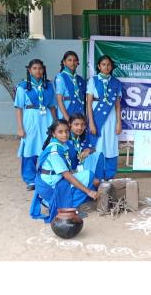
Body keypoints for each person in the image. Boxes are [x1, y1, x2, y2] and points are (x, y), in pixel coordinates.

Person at [29, 119, 99, 223]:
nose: (64, 135)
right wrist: (89, 191)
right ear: (53, 133)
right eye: (60, 132)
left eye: (66, 131)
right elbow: (66, 175)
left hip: (55, 178)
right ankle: (66, 209)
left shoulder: (61, 145)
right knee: (88, 176)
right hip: (51, 184)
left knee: (86, 177)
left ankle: (64, 203)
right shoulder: (55, 152)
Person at [14, 59, 57, 191]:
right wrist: (20, 127)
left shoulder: (48, 86)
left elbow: (52, 106)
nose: (38, 71)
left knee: (47, 147)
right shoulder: (22, 87)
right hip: (30, 118)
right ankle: (30, 179)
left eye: (40, 68)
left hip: (46, 119)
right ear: (29, 70)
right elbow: (18, 108)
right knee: (30, 149)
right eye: (34, 68)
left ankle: (45, 176)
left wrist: (56, 123)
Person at [86, 54, 122, 180]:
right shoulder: (93, 80)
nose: (106, 67)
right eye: (103, 64)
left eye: (108, 65)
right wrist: (90, 122)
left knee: (111, 145)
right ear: (99, 66)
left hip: (111, 116)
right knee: (98, 145)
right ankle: (97, 176)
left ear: (111, 67)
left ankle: (110, 176)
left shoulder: (116, 83)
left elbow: (117, 105)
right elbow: (88, 103)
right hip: (96, 115)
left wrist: (119, 122)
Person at [67, 113, 105, 184]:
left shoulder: (82, 135)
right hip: (68, 173)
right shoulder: (65, 139)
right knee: (94, 181)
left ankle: (99, 181)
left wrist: (88, 150)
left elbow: (93, 148)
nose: (80, 128)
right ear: (69, 124)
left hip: (79, 168)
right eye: (76, 124)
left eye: (82, 125)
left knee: (98, 155)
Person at [54, 50, 86, 121]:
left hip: (79, 112)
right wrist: (67, 118)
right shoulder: (61, 77)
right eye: (69, 60)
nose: (72, 63)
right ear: (64, 62)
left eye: (75, 60)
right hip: (67, 111)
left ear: (77, 62)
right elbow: (59, 100)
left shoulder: (80, 79)